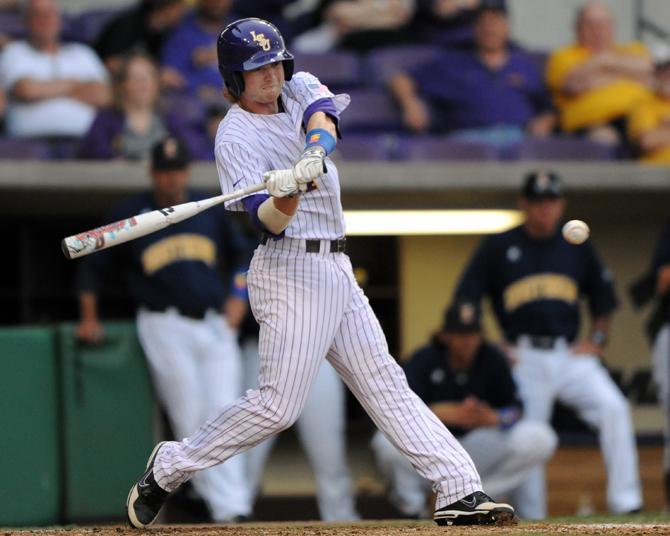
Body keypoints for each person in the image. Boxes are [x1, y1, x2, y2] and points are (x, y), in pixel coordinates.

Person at [125, 17, 516, 529]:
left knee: (386, 383)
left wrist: (312, 155)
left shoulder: (300, 85)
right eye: (256, 69)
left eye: (274, 63)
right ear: (232, 80)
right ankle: (170, 466)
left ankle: (458, 489)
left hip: (336, 266)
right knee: (278, 407)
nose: (270, 75)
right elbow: (267, 221)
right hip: (288, 272)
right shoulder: (234, 138)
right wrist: (286, 190)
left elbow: (323, 120)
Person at [76, 136, 255, 523]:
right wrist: (89, 315)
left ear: (186, 172)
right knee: (190, 414)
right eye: (165, 172)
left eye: (178, 171)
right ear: (153, 173)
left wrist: (238, 301)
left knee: (226, 411)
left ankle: (232, 509)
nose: (172, 179)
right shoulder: (133, 212)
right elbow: (92, 264)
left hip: (215, 323)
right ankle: (221, 506)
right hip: (164, 322)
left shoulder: (205, 208)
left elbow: (245, 254)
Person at [454, 170, 643, 518]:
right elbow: (466, 302)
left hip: (569, 354)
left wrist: (598, 339)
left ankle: (627, 502)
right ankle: (533, 515)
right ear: (524, 204)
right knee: (532, 433)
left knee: (614, 407)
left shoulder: (577, 246)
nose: (545, 209)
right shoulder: (499, 246)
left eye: (552, 201)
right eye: (538, 201)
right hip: (522, 355)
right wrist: (490, 347)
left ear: (561, 205)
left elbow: (603, 302)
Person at [372, 299, 556, 519]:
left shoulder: (492, 358)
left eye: (472, 333)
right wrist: (443, 413)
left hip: (477, 445)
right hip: (432, 446)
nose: (467, 341)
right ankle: (413, 509)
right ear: (445, 335)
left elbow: (516, 410)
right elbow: (397, 406)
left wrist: (495, 417)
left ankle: (475, 498)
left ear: (481, 334)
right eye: (460, 334)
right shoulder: (425, 358)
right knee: (384, 443)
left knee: (540, 437)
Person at [388, 1, 554, 146]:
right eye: (484, 22)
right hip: (469, 141)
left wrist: (545, 121)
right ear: (474, 28)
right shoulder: (453, 62)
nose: (490, 28)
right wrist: (410, 103)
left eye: (496, 21)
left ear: (507, 26)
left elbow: (548, 107)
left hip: (518, 139)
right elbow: (400, 79)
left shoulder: (524, 65)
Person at [241, 327, 361, 521]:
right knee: (246, 455)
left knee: (329, 454)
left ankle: (342, 521)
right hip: (262, 352)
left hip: (317, 353)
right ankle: (234, 519)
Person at [545, 1, 653, 146]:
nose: (597, 30)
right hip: (592, 123)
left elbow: (651, 71)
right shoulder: (563, 56)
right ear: (577, 28)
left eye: (603, 24)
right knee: (604, 139)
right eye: (590, 24)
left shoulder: (635, 49)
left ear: (612, 27)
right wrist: (627, 74)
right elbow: (576, 84)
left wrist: (603, 62)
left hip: (642, 118)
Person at [0, 0, 111, 139]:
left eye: (49, 14)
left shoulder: (83, 53)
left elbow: (106, 95)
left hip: (86, 142)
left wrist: (47, 88)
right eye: (37, 15)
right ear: (25, 21)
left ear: (59, 19)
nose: (44, 20)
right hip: (29, 143)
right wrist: (76, 85)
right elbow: (26, 90)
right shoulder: (15, 51)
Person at [78, 52, 194, 161]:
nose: (144, 83)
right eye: (136, 77)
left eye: (149, 76)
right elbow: (93, 157)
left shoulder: (171, 120)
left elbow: (193, 154)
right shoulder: (105, 120)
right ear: (122, 85)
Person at [160, 0, 237, 102]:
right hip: (194, 104)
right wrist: (196, 88)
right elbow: (168, 78)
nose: (217, 2)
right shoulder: (182, 33)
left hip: (236, 103)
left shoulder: (240, 30)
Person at [95, 0, 187, 75]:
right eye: (179, 9)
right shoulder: (128, 25)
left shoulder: (163, 33)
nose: (182, 14)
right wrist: (154, 73)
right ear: (167, 9)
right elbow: (110, 63)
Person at [627, 45, 670, 164]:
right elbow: (647, 142)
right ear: (655, 73)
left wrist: (663, 129)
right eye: (664, 69)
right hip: (657, 176)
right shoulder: (644, 103)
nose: (668, 74)